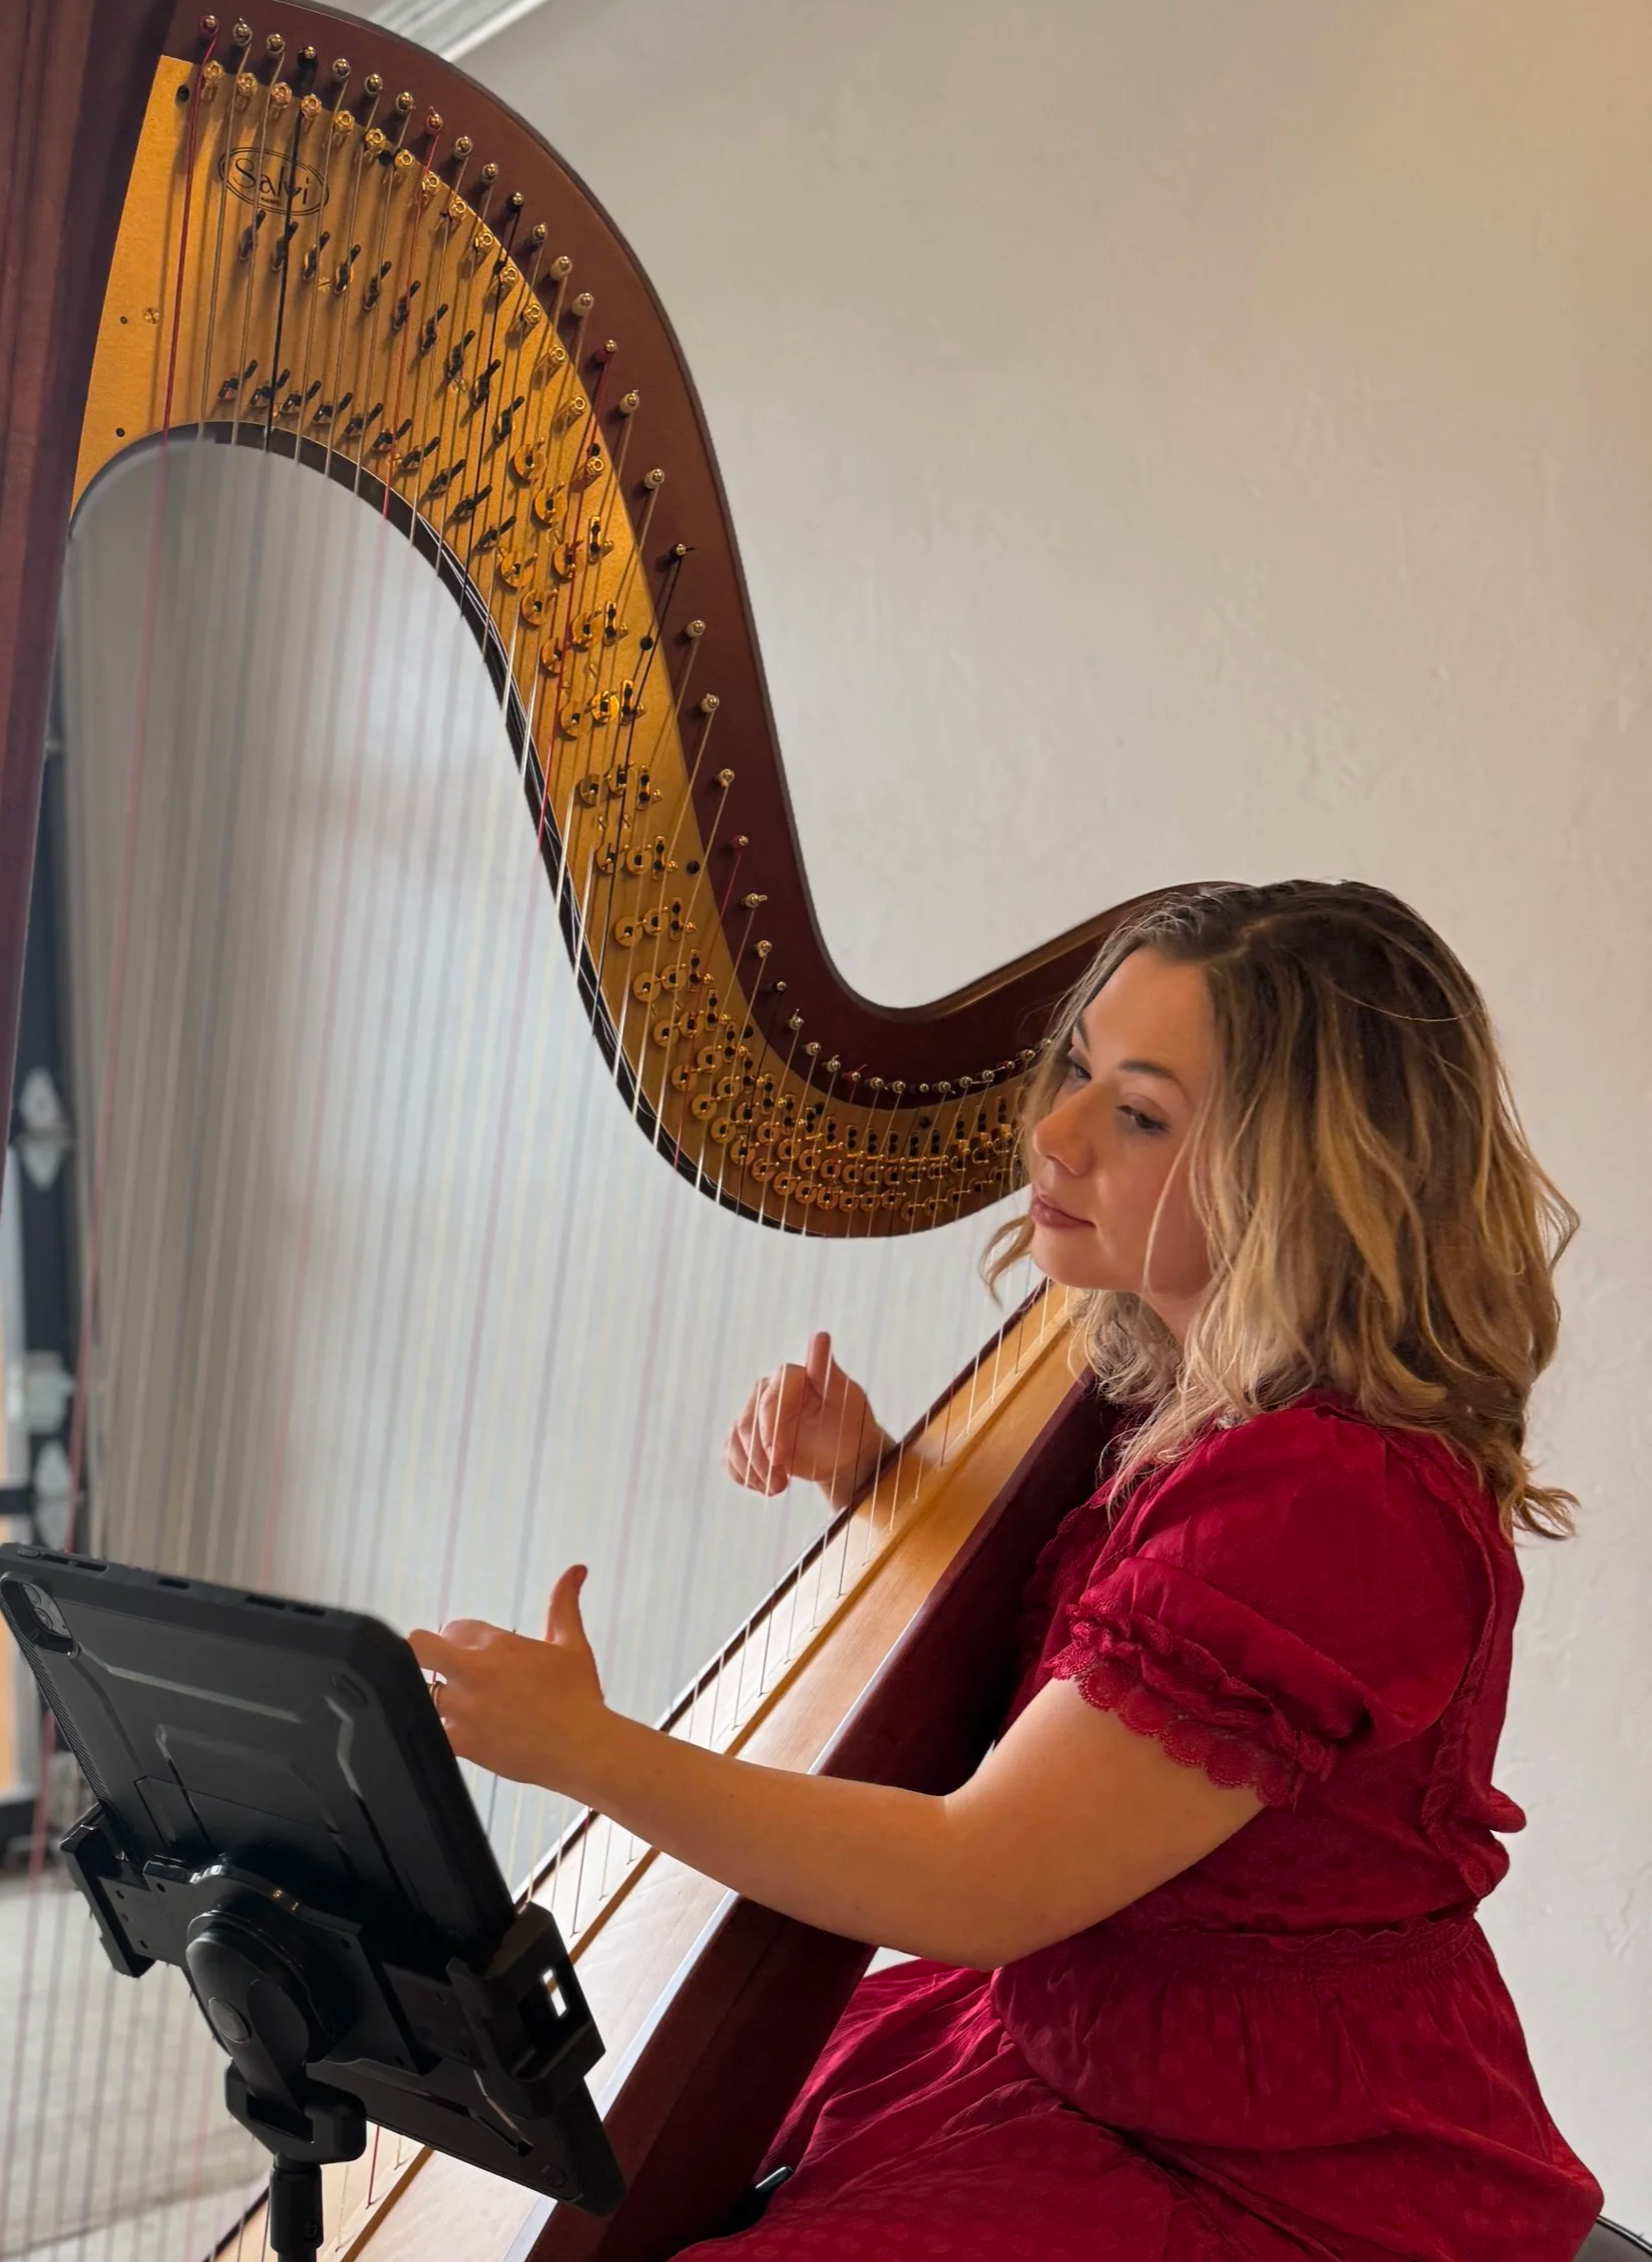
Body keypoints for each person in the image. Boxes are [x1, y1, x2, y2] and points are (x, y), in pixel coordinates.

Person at [412, 879, 1605, 2261]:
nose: (1051, 1131)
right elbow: (1100, 1678)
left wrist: (594, 1752)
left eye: (1139, 1112)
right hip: (1095, 2045)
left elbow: (980, 1879)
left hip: (1264, 2159)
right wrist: (877, 1480)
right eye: (1078, 1069)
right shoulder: (1191, 1393)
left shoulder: (1323, 1498)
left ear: (1299, 1178)